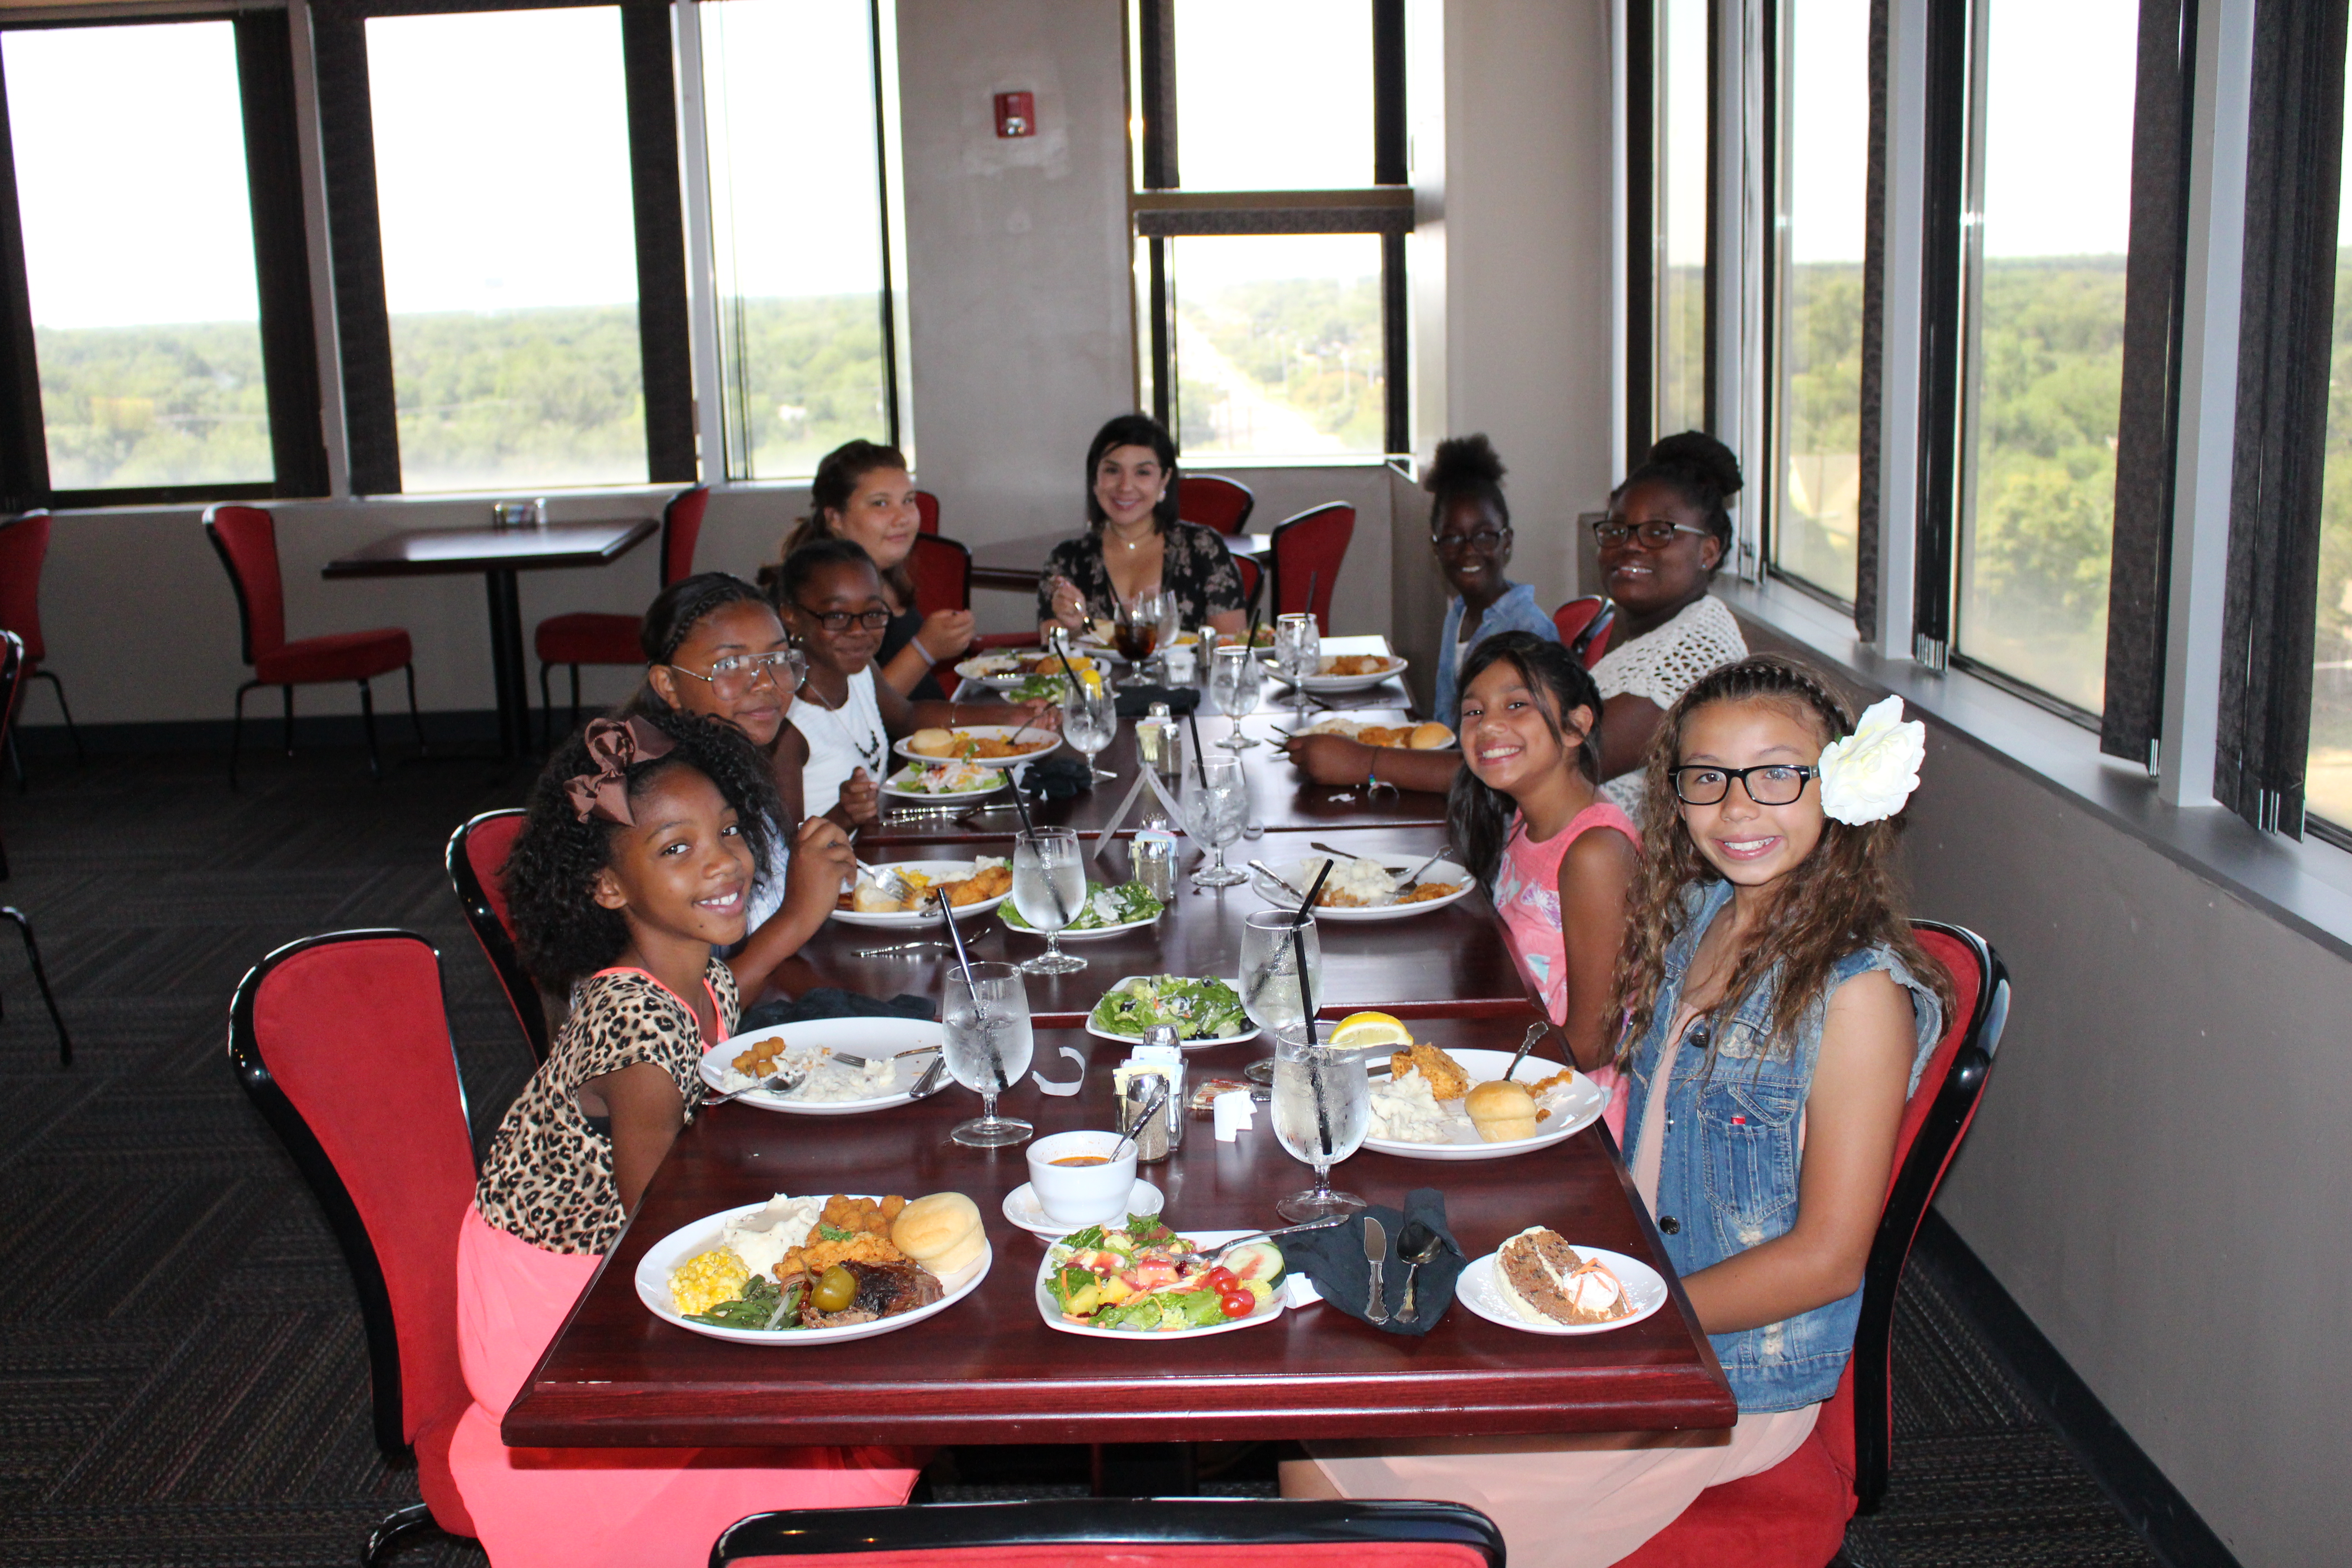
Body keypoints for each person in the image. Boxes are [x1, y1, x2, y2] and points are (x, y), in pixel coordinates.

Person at [1285, 655, 1955, 1568]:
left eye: (1776, 775)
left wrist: (1632, 1314)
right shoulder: (1702, 916)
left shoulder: (1857, 994)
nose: (1739, 807)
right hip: (1625, 1286)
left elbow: (1830, 1260)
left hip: (1722, 1368)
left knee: (1406, 1504)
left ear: (1835, 784)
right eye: (1708, 779)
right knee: (1328, 1431)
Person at [451, 712, 917, 1567]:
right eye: (675, 848)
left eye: (730, 830)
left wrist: (800, 918)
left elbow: (721, 1002)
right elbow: (655, 1235)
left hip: (595, 1254)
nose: (722, 860)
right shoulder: (633, 1032)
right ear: (605, 888)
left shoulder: (674, 970)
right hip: (559, 1302)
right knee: (856, 1350)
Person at [627, 572, 860, 999]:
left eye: (777, 660)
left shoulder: (738, 771)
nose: (766, 684)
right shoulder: (661, 803)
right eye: (730, 666)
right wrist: (796, 917)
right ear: (668, 686)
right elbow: (683, 1015)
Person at [1446, 633, 1639, 1134]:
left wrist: (1473, 1071)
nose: (1489, 725)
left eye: (1516, 705)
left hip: (1576, 1112)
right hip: (1528, 1072)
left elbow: (1594, 1040)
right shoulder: (1521, 822)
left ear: (1577, 726)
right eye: (1473, 712)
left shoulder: (1594, 852)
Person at [777, 537, 1051, 828]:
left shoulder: (862, 672)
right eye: (836, 616)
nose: (859, 631)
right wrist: (844, 814)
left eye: (872, 614)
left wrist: (1007, 718)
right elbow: (786, 854)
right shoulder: (784, 722)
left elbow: (908, 717)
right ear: (791, 616)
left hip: (878, 842)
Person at [1587, 431, 1751, 812]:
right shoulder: (1654, 625)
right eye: (1616, 529)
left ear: (1708, 552)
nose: (1631, 544)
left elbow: (1548, 771)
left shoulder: (1690, 653)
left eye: (1659, 532)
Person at [772, 439, 971, 701]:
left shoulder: (887, 572)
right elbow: (852, 708)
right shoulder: (817, 596)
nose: (902, 518)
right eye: (880, 504)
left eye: (908, 500)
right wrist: (925, 650)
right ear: (835, 518)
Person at [1039, 413, 1247, 638]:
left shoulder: (1203, 549)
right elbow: (1053, 661)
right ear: (1095, 479)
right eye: (1113, 470)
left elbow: (1231, 651)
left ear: (1164, 480)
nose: (1126, 486)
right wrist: (1074, 629)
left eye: (1142, 472)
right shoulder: (1067, 561)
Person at [1427, 436, 1561, 722]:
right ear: (1436, 548)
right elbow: (1446, 718)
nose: (1468, 551)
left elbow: (1536, 735)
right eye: (1452, 538)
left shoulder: (1529, 629)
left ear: (1507, 542)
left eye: (1484, 536)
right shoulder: (1458, 615)